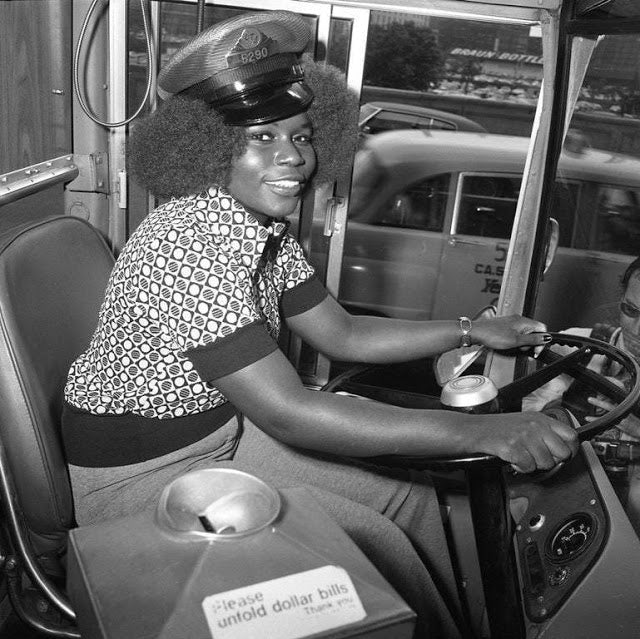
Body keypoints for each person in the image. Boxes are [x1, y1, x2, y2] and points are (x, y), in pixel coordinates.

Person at [61, 11, 578, 638]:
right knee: (375, 537)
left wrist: (470, 330)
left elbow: (343, 334)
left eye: (302, 137)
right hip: (145, 476)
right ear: (208, 149)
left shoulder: (261, 229)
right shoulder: (192, 240)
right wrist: (490, 435)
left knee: (406, 502)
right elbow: (290, 413)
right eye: (261, 138)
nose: (294, 158)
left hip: (222, 441)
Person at [524, 257, 640, 530]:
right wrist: (558, 410)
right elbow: (517, 411)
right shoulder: (576, 347)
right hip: (567, 491)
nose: (637, 330)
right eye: (630, 310)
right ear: (620, 299)